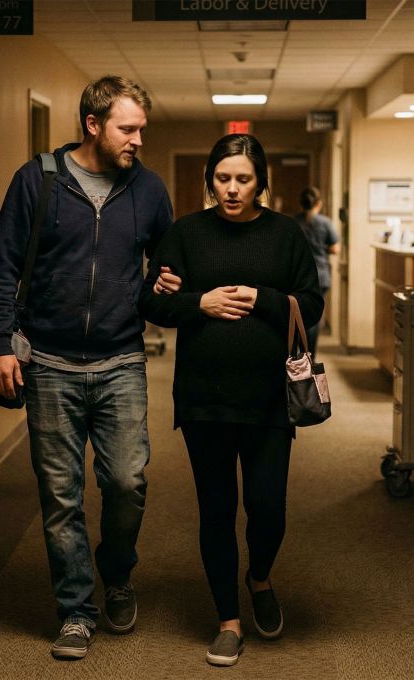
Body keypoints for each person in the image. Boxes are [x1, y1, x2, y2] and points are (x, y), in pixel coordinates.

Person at [0, 75, 173, 660]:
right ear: (93, 124)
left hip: (121, 359)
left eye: (141, 129)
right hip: (50, 363)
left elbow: (165, 271)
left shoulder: (148, 189)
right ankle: (76, 609)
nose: (138, 140)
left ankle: (117, 572)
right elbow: (2, 266)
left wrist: (162, 287)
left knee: (127, 482)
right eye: (127, 129)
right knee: (60, 495)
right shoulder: (37, 180)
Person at [139, 134, 323, 667]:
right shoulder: (186, 234)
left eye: (243, 179)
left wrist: (264, 298)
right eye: (223, 178)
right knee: (216, 509)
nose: (233, 189)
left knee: (268, 508)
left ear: (260, 181)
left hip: (269, 398)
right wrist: (200, 302)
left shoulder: (285, 235)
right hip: (205, 397)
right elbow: (153, 302)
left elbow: (311, 304)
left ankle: (259, 577)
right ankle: (227, 620)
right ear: (210, 180)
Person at [294, 186, 339, 357]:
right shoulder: (325, 223)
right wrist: (321, 248)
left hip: (298, 276)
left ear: (301, 204)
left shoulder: (295, 221)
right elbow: (335, 248)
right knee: (314, 317)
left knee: (298, 314)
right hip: (320, 275)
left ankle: (299, 352)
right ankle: (310, 355)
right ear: (318, 203)